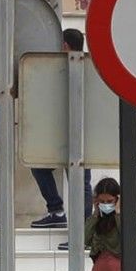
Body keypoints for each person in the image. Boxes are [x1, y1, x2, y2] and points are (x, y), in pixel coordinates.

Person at [30, 27, 82, 228]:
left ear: (65, 46)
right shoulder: (87, 65)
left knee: (77, 175)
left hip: (63, 132)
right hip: (73, 132)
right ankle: (66, 215)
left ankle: (69, 217)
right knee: (77, 176)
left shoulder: (60, 68)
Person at [84, 176, 127, 271]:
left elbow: (129, 236)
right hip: (100, 269)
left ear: (117, 199)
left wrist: (118, 213)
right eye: (102, 201)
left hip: (118, 268)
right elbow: (85, 239)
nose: (106, 204)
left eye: (110, 201)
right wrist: (96, 214)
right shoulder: (97, 218)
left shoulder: (127, 214)